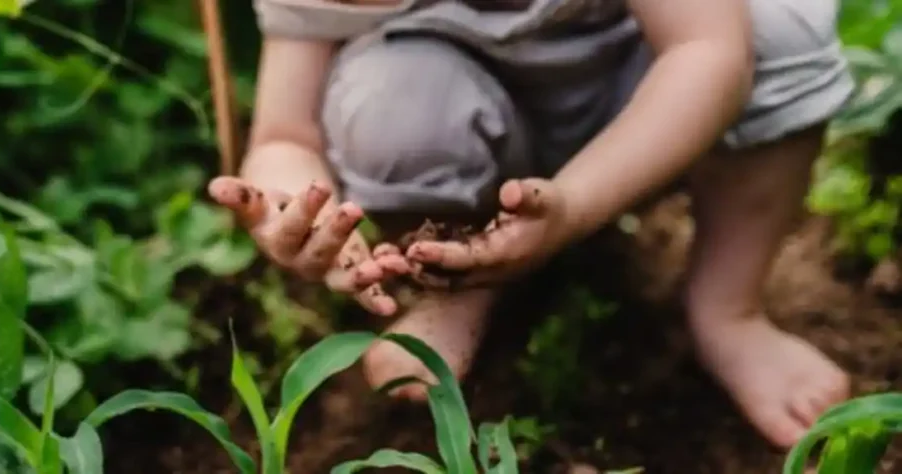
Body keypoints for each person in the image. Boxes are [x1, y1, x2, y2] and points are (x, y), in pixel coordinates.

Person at [207, 0, 853, 449]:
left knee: (775, 25)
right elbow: (284, 134)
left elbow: (708, 51)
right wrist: (291, 204)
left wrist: (572, 205)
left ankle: (726, 308)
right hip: (464, 124)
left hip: (652, 110)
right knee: (388, 103)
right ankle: (460, 278)